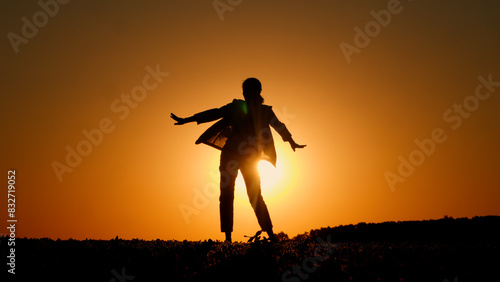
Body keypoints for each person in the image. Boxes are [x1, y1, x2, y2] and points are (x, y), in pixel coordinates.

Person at [171, 78, 306, 242]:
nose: (244, 93)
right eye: (244, 90)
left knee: (253, 194)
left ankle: (270, 234)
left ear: (256, 92)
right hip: (231, 156)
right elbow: (214, 113)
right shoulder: (237, 107)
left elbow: (279, 126)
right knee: (228, 194)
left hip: (249, 158)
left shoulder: (264, 111)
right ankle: (229, 238)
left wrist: (291, 141)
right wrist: (187, 119)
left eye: (247, 90)